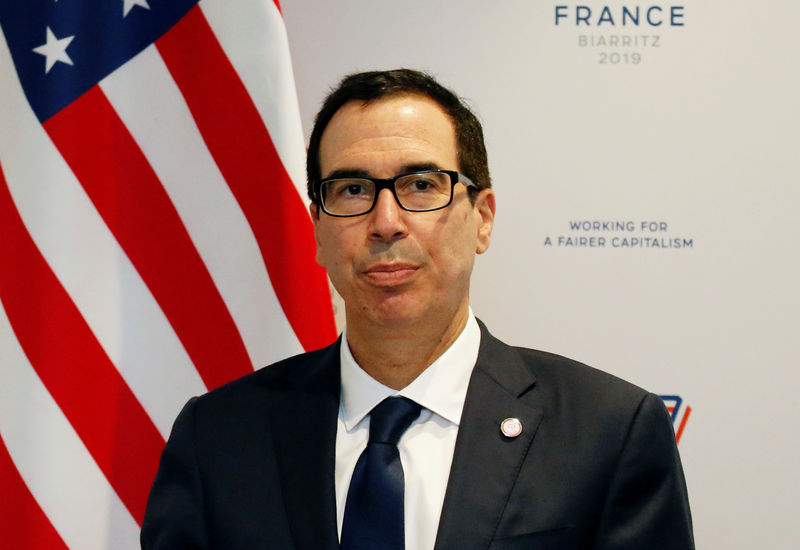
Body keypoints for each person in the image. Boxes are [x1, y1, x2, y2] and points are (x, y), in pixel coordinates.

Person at [141, 69, 694, 549]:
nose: (385, 222)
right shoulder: (217, 439)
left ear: (483, 217)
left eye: (422, 184)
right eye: (353, 189)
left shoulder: (607, 433)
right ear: (317, 228)